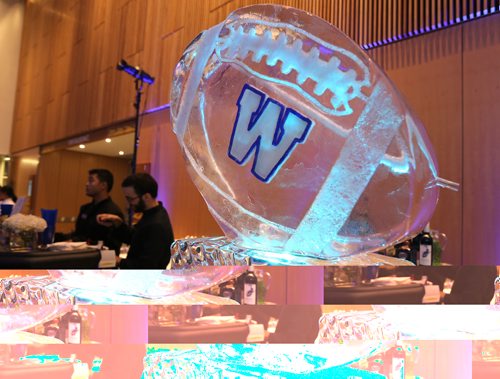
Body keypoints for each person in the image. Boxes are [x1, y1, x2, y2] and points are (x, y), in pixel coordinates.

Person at [97, 173, 174, 269]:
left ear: (146, 196)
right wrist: (118, 223)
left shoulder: (156, 224)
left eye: (130, 199)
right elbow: (135, 239)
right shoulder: (152, 213)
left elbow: (147, 266)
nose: (128, 204)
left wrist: (118, 260)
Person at [73, 169, 124, 255]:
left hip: (102, 260)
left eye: (91, 181)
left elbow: (113, 244)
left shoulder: (112, 212)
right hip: (80, 256)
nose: (86, 184)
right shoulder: (85, 208)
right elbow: (79, 234)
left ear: (103, 185)